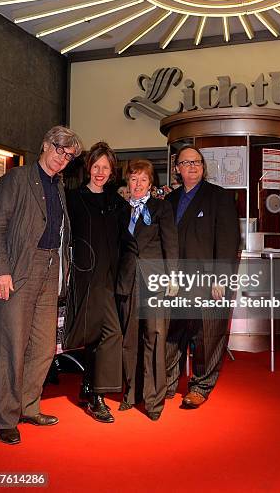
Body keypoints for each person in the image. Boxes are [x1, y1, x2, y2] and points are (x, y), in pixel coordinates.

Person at [0, 126, 83, 444]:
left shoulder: (59, 186)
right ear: (45, 144)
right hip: (16, 272)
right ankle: (5, 418)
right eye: (59, 149)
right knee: (11, 347)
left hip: (49, 270)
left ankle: (28, 406)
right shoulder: (16, 179)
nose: (61, 158)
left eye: (68, 155)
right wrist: (1, 269)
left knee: (43, 348)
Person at [165, 145, 240, 409]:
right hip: (177, 280)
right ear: (177, 169)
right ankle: (167, 384)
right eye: (186, 163)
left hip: (210, 281)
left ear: (203, 166)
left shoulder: (218, 197)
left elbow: (230, 240)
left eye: (196, 162)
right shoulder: (170, 201)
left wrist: (221, 277)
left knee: (207, 335)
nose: (193, 167)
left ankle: (200, 386)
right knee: (173, 333)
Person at [64, 142, 133, 423]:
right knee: (104, 334)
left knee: (103, 335)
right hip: (83, 279)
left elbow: (125, 242)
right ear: (88, 167)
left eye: (105, 167)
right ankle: (95, 395)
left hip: (109, 279)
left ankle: (90, 389)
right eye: (96, 166)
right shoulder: (73, 199)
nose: (100, 172)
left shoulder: (118, 204)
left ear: (112, 171)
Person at [117, 159, 178, 420]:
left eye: (143, 179)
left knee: (154, 336)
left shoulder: (161, 208)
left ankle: (154, 400)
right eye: (133, 179)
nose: (138, 184)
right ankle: (131, 393)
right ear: (127, 183)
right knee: (129, 339)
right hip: (127, 281)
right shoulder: (119, 210)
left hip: (155, 280)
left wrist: (173, 277)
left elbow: (171, 244)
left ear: (150, 183)